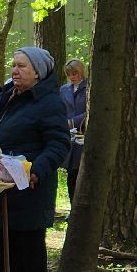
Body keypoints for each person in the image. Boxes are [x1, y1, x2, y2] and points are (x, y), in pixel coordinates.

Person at [0, 48, 70, 272]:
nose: (14, 71)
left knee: (28, 242)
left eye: (21, 66)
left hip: (29, 185)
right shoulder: (5, 96)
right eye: (14, 65)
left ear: (38, 73)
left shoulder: (48, 102)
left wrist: (36, 171)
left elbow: (58, 143)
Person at [59, 59, 87, 201]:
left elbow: (91, 110)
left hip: (85, 134)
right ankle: (72, 209)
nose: (72, 77)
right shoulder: (64, 90)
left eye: (75, 73)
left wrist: (72, 122)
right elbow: (59, 109)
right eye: (69, 74)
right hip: (69, 137)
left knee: (83, 174)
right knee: (71, 174)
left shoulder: (89, 87)